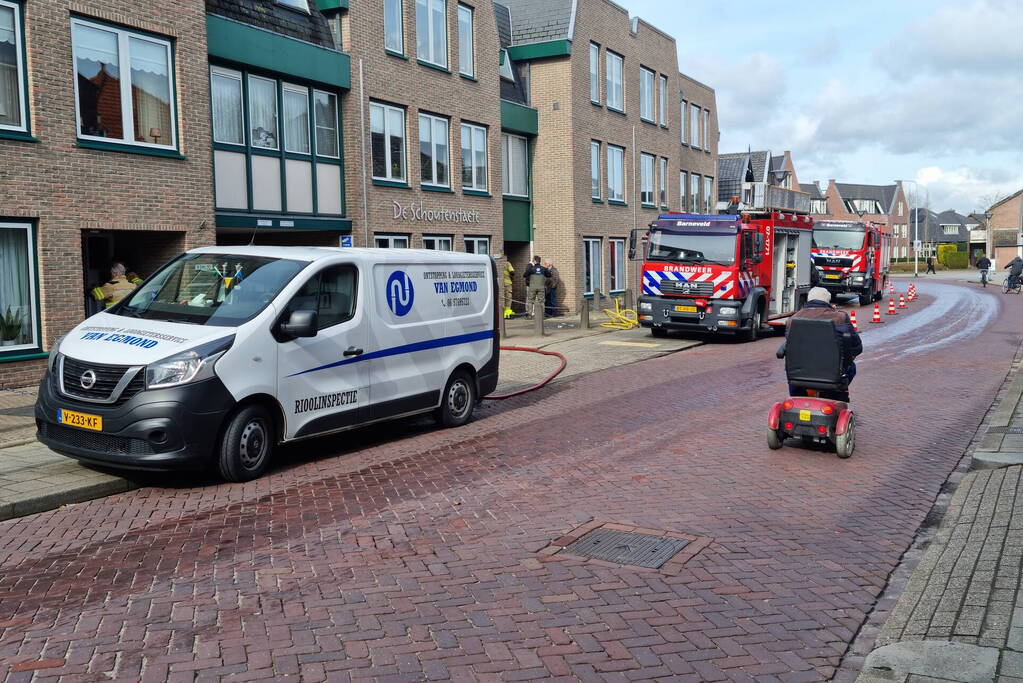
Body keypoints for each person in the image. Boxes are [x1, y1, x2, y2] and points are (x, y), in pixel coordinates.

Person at [786, 287, 862, 394]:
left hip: (799, 376)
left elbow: (790, 345)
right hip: (831, 374)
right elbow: (857, 347)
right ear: (827, 301)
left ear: (808, 300)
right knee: (851, 368)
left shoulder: (792, 320)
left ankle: (797, 398)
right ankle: (833, 395)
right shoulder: (840, 317)